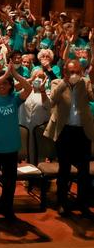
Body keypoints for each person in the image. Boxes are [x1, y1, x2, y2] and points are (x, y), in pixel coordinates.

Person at [0, 63, 31, 221]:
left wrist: (15, 75)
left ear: (11, 86)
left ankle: (7, 208)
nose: (2, 86)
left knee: (9, 183)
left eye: (6, 83)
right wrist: (3, 76)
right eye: (0, 83)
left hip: (11, 147)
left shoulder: (14, 99)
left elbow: (28, 89)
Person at [44, 59, 94, 216]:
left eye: (77, 72)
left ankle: (82, 203)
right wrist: (65, 83)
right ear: (65, 72)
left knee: (84, 170)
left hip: (82, 131)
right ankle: (62, 203)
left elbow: (92, 98)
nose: (75, 75)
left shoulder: (85, 83)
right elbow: (52, 101)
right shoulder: (57, 82)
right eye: (72, 72)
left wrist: (90, 78)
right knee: (64, 169)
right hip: (64, 131)